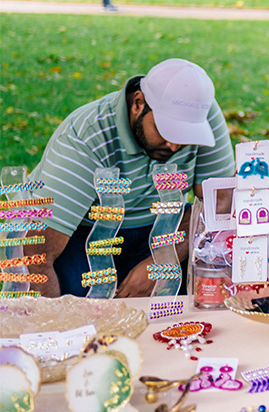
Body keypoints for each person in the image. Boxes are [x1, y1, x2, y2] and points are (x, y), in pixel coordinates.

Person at [28, 59, 235, 297]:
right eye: (165, 130)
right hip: (86, 233)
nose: (174, 145)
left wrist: (163, 261)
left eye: (185, 135)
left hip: (167, 228)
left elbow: (220, 202)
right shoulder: (84, 139)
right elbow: (36, 254)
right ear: (138, 103)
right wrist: (53, 327)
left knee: (211, 292)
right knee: (84, 313)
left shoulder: (201, 113)